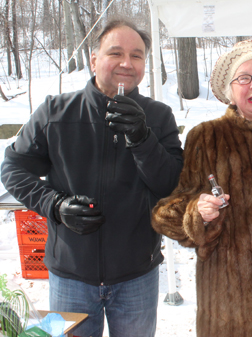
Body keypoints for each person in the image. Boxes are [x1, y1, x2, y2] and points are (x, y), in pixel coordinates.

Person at [1, 19, 183, 337]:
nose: (127, 63)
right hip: (70, 277)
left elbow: (171, 184)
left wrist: (142, 138)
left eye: (137, 55)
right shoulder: (55, 112)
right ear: (93, 59)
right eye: (116, 53)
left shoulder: (158, 116)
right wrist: (55, 205)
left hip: (137, 276)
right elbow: (13, 169)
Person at [151, 39, 252, 337]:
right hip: (232, 308)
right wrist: (198, 212)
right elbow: (165, 214)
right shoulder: (207, 137)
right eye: (244, 78)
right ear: (230, 91)